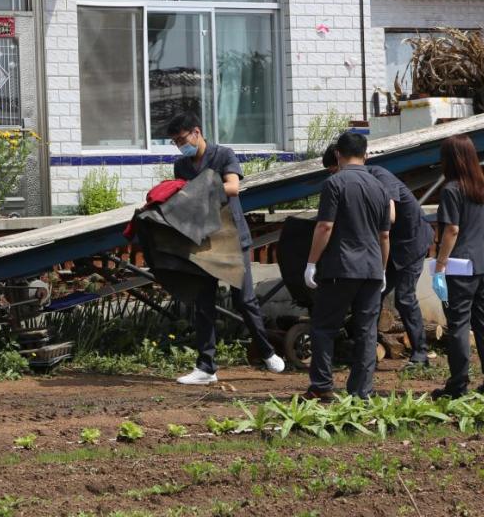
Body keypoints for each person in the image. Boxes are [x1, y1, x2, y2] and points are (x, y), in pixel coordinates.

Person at [165, 113, 285, 385]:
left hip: (231, 238)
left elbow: (233, 186)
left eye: (182, 140)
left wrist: (199, 188)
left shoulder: (223, 155)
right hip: (201, 240)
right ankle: (206, 367)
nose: (180, 146)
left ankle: (267, 352)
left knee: (244, 300)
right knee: (203, 305)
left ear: (196, 132)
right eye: (174, 143)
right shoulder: (181, 165)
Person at [323, 145, 434, 369]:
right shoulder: (352, 182)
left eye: (334, 170)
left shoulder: (379, 176)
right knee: (373, 296)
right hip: (387, 246)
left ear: (341, 161)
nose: (335, 177)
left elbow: (390, 216)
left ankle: (420, 354)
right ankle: (366, 353)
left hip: (410, 243)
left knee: (404, 297)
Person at [303, 132, 390, 400]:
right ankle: (361, 392)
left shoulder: (334, 183)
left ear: (338, 155)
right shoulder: (380, 188)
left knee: (324, 327)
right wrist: (383, 269)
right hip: (372, 268)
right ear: (366, 154)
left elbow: (325, 226)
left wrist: (311, 263)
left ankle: (321, 386)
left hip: (341, 266)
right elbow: (385, 235)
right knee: (366, 331)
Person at [431, 134, 484, 399]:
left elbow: (451, 229)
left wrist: (440, 265)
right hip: (483, 263)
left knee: (459, 324)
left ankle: (458, 385)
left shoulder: (451, 189)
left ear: (449, 159)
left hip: (459, 267)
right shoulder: (482, 187)